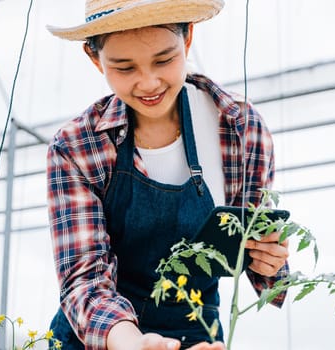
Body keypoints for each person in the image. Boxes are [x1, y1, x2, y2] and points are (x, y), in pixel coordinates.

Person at [45, 0, 290, 349]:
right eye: (124, 67)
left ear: (188, 37)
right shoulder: (78, 146)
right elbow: (83, 278)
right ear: (94, 57)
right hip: (102, 340)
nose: (148, 82)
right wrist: (130, 342)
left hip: (196, 334)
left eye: (164, 60)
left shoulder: (238, 127)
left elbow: (252, 250)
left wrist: (268, 262)